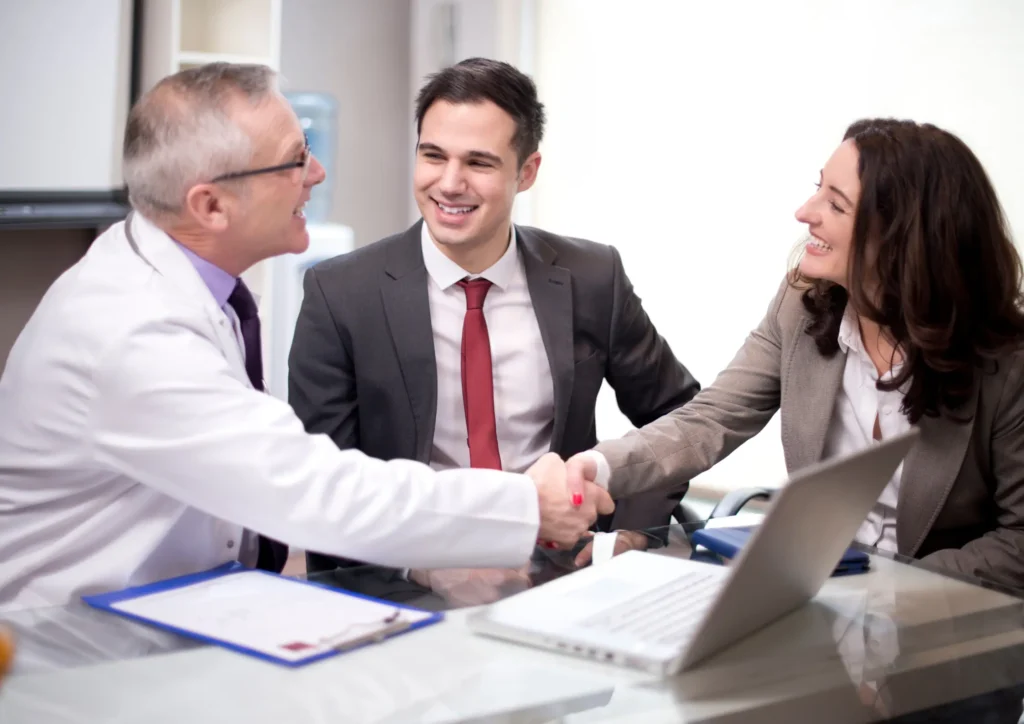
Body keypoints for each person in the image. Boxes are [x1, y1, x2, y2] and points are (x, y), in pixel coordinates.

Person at [0, 62, 612, 614]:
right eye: (295, 160)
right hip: (74, 653)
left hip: (181, 613)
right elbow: (316, 490)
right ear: (210, 206)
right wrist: (525, 504)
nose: (317, 174)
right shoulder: (132, 331)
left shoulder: (178, 285)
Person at [288, 57, 699, 594]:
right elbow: (322, 484)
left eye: (479, 163)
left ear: (525, 172)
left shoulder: (592, 276)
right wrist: (421, 565)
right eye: (433, 155)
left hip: (564, 577)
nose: (449, 183)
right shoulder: (340, 293)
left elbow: (676, 416)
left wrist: (630, 534)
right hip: (409, 586)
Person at [569, 118, 1024, 590]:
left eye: (836, 204)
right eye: (817, 189)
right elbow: (711, 419)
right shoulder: (801, 306)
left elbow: (1019, 541)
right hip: (815, 592)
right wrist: (597, 467)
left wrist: (886, 589)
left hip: (947, 616)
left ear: (903, 235)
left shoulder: (1006, 363)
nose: (805, 212)